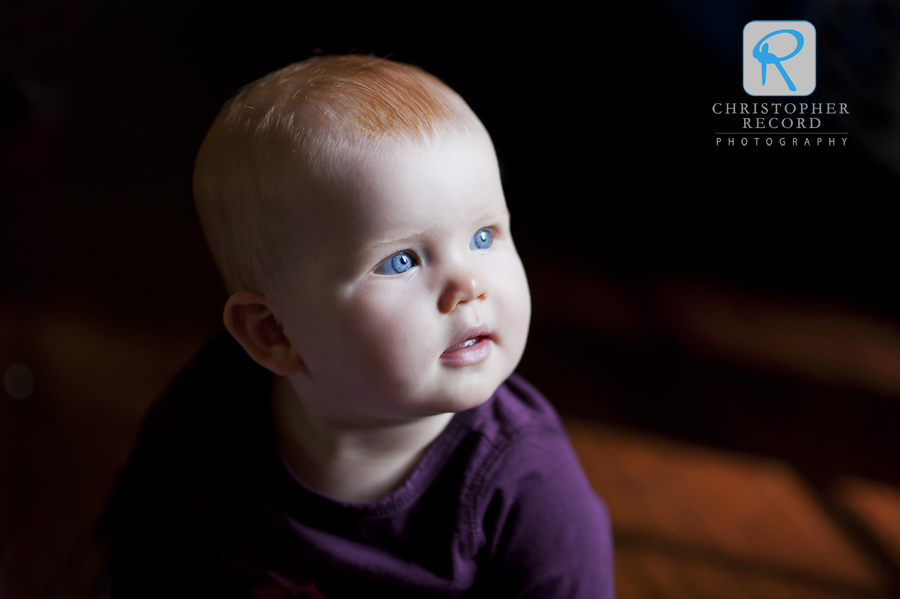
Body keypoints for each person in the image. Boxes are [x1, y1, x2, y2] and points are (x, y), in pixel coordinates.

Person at [104, 54, 614, 598]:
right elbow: (145, 548)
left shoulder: (527, 486)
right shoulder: (211, 408)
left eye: (484, 236)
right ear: (272, 333)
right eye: (401, 261)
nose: (469, 285)